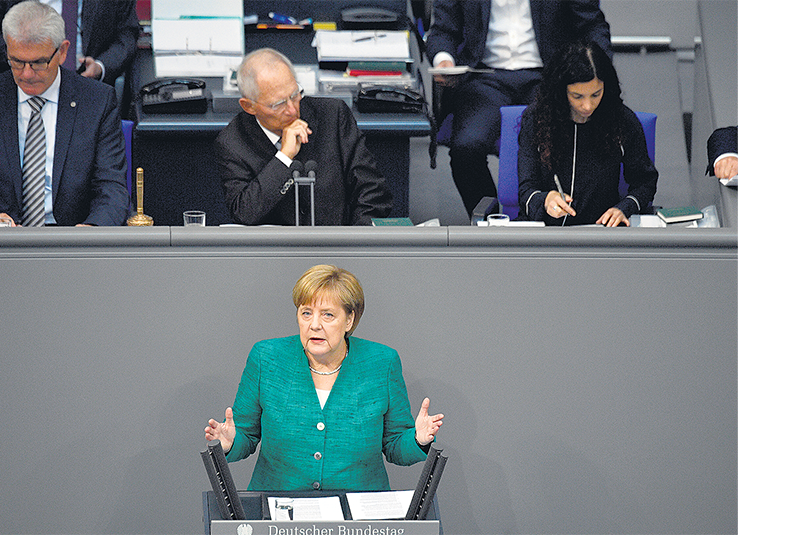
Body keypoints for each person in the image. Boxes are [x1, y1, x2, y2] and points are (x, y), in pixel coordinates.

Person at [204, 265, 444, 491]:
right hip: (279, 509)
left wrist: (417, 439)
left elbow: (394, 446)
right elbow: (245, 435)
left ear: (349, 320)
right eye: (306, 313)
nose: (314, 325)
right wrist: (229, 443)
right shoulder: (266, 358)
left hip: (358, 514)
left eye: (327, 315)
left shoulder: (382, 362)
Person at [0, 0, 129, 227]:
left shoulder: (97, 101)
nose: (27, 74)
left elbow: (112, 189)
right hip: (2, 243)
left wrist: (92, 229)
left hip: (71, 241)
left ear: (62, 52)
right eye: (17, 62)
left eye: (39, 63)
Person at [427, 0, 613, 218]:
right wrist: (444, 60)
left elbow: (592, 24)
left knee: (556, 138)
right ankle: (491, 220)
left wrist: (599, 68)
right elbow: (443, 30)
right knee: (466, 147)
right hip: (485, 77)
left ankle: (548, 213)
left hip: (548, 75)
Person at [215, 49, 393, 225]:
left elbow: (372, 191)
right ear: (249, 106)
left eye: (294, 94)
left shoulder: (333, 116)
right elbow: (244, 212)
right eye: (278, 104)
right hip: (277, 251)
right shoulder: (233, 142)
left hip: (337, 247)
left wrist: (356, 242)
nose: (292, 110)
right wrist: (284, 158)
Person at [517, 42, 658, 227]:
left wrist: (624, 208)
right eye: (577, 96)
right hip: (545, 231)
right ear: (561, 91)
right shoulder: (537, 119)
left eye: (596, 94)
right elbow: (526, 190)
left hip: (600, 230)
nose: (587, 106)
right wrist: (545, 199)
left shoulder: (621, 120)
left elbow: (645, 182)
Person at [0, 0, 139, 86]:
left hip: (82, 85)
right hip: (13, 82)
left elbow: (127, 34)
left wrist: (101, 66)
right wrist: (26, 61)